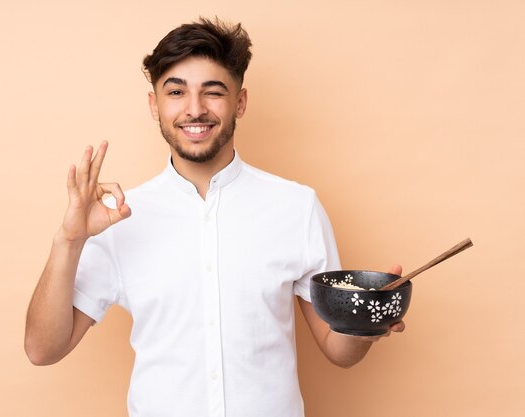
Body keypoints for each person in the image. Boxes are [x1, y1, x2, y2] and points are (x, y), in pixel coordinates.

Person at [24, 17, 404, 417]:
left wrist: (367, 321)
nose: (195, 109)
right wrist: (68, 240)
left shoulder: (296, 206)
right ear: (154, 105)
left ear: (240, 101)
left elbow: (337, 349)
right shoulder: (118, 219)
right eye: (176, 92)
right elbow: (42, 350)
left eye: (213, 92)